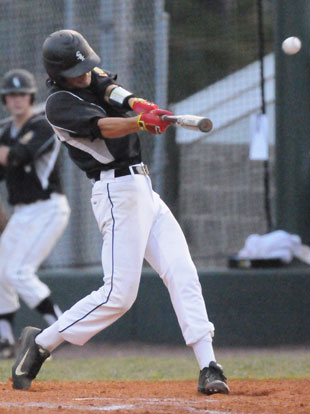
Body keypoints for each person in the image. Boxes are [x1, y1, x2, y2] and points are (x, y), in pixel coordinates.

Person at [12, 30, 229, 395]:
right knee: (118, 295)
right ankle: (42, 343)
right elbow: (104, 127)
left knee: (182, 271)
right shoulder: (58, 105)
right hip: (116, 192)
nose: (85, 74)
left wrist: (139, 104)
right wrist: (140, 122)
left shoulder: (90, 76)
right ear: (58, 73)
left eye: (86, 66)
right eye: (76, 70)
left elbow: (110, 89)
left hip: (143, 188)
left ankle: (208, 365)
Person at [0, 69, 71, 358]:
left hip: (48, 208)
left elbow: (18, 156)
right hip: (22, 212)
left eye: (22, 94)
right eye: (11, 95)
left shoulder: (43, 126)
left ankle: (60, 327)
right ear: (5, 101)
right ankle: (5, 340)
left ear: (31, 98)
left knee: (19, 272)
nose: (16, 100)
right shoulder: (7, 132)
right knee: (1, 270)